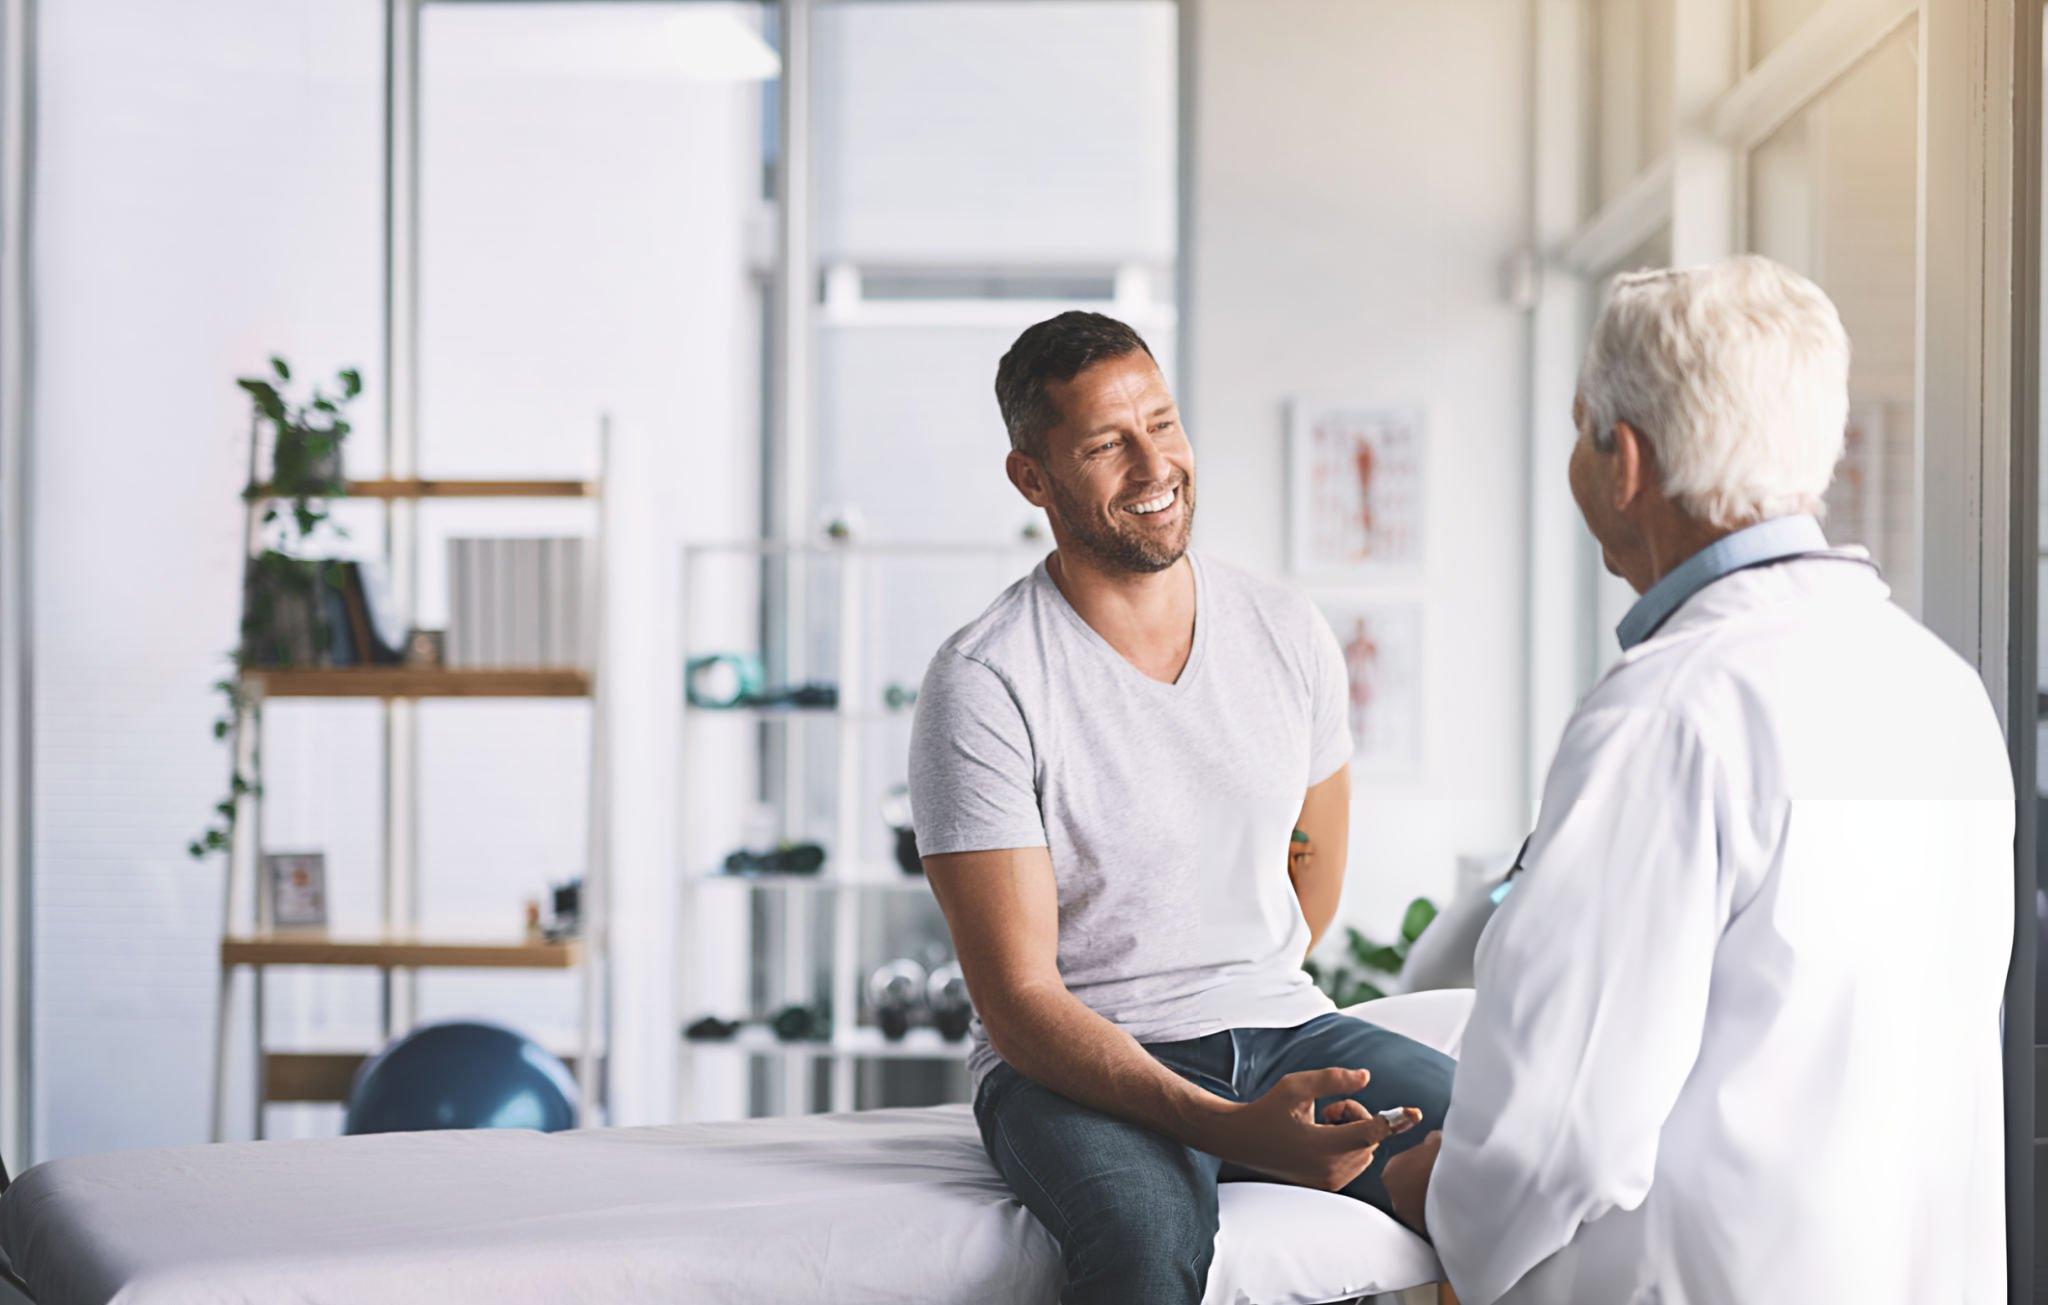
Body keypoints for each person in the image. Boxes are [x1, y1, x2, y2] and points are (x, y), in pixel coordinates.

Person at [1381, 256, 2013, 1304]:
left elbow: (1555, 1129)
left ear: (1617, 459)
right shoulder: (1938, 686)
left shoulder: (1667, 710)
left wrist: (1433, 1189)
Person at [907, 311, 1455, 1304]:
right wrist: (1222, 1124)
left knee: (1514, 1160)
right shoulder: (985, 681)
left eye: (1160, 423)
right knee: (1143, 1247)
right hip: (1073, 1064)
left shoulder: (1285, 630)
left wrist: (1243, 1012)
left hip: (1281, 1026)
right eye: (1104, 444)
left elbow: (1309, 872)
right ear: (1031, 478)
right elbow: (1017, 1002)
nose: (1152, 464)